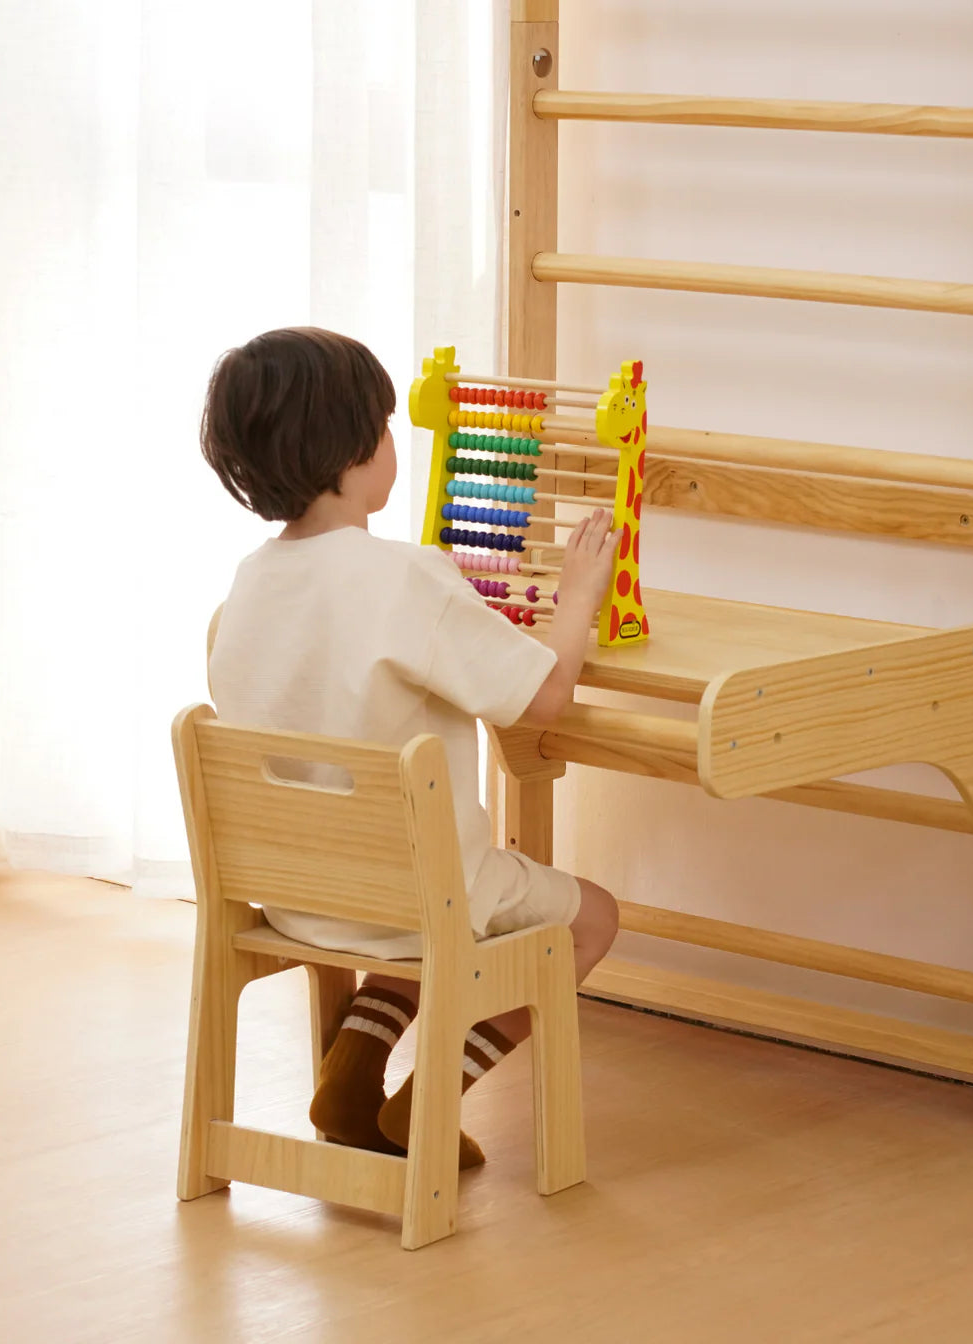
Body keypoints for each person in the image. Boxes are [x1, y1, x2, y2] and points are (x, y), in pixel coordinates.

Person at [201, 326, 620, 1166]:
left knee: (409, 892)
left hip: (298, 894)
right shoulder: (407, 576)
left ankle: (352, 1074)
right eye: (387, 426)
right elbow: (544, 698)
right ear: (355, 449)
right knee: (593, 918)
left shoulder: (246, 587)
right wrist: (578, 596)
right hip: (417, 896)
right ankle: (429, 1097)